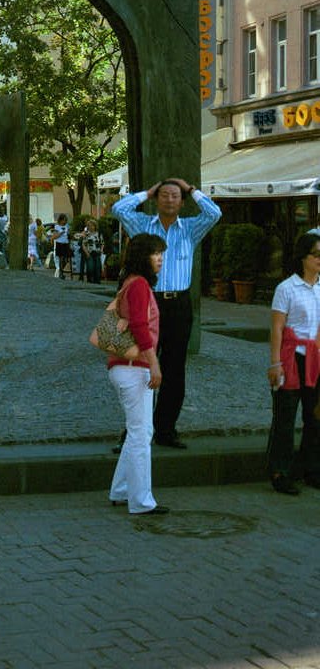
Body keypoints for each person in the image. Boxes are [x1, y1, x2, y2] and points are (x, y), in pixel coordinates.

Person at [112, 178, 221, 448]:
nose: (169, 200)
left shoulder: (191, 229)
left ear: (182, 202)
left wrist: (191, 190)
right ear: (156, 199)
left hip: (178, 305)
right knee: (141, 367)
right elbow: (119, 209)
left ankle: (165, 429)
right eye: (164, 195)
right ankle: (135, 431)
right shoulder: (142, 225)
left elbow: (214, 213)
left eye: (175, 196)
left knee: (174, 369)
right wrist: (146, 192)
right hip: (148, 303)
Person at [106, 233, 168, 515]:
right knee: (141, 434)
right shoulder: (140, 284)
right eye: (155, 253)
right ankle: (141, 501)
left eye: (161, 253)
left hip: (124, 367)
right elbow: (141, 328)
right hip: (134, 368)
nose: (160, 259)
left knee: (138, 432)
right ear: (143, 256)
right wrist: (154, 363)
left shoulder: (129, 283)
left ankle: (121, 489)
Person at [267, 232, 320, 495]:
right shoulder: (286, 288)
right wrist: (275, 363)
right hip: (291, 357)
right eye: (316, 254)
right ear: (303, 257)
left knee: (315, 417)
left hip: (315, 358)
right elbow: (277, 328)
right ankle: (280, 472)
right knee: (285, 417)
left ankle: (310, 469)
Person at [81, 218, 103, 284]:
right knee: (90, 268)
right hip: (89, 252)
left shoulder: (99, 234)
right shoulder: (86, 234)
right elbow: (83, 244)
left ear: (95, 226)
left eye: (92, 225)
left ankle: (97, 281)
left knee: (97, 268)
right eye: (89, 226)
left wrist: (101, 250)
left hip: (97, 252)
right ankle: (90, 281)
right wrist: (87, 253)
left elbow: (102, 243)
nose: (91, 227)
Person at [50, 213, 70, 279]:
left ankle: (61, 271)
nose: (65, 221)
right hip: (59, 244)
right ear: (60, 220)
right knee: (61, 259)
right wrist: (61, 233)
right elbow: (54, 236)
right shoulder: (57, 226)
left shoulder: (67, 226)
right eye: (64, 220)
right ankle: (61, 273)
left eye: (66, 220)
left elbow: (68, 234)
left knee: (66, 260)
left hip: (66, 243)